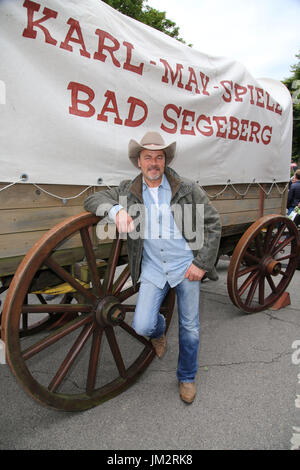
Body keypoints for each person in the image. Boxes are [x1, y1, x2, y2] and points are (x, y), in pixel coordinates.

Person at [84, 131, 221, 404]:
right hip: (153, 267)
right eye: (148, 157)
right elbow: (92, 199)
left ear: (165, 160)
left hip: (186, 265)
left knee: (190, 328)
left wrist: (201, 264)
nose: (154, 162)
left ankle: (187, 377)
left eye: (159, 157)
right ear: (139, 162)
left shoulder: (186, 189)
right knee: (142, 324)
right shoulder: (128, 191)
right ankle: (158, 333)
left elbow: (213, 224)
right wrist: (116, 211)